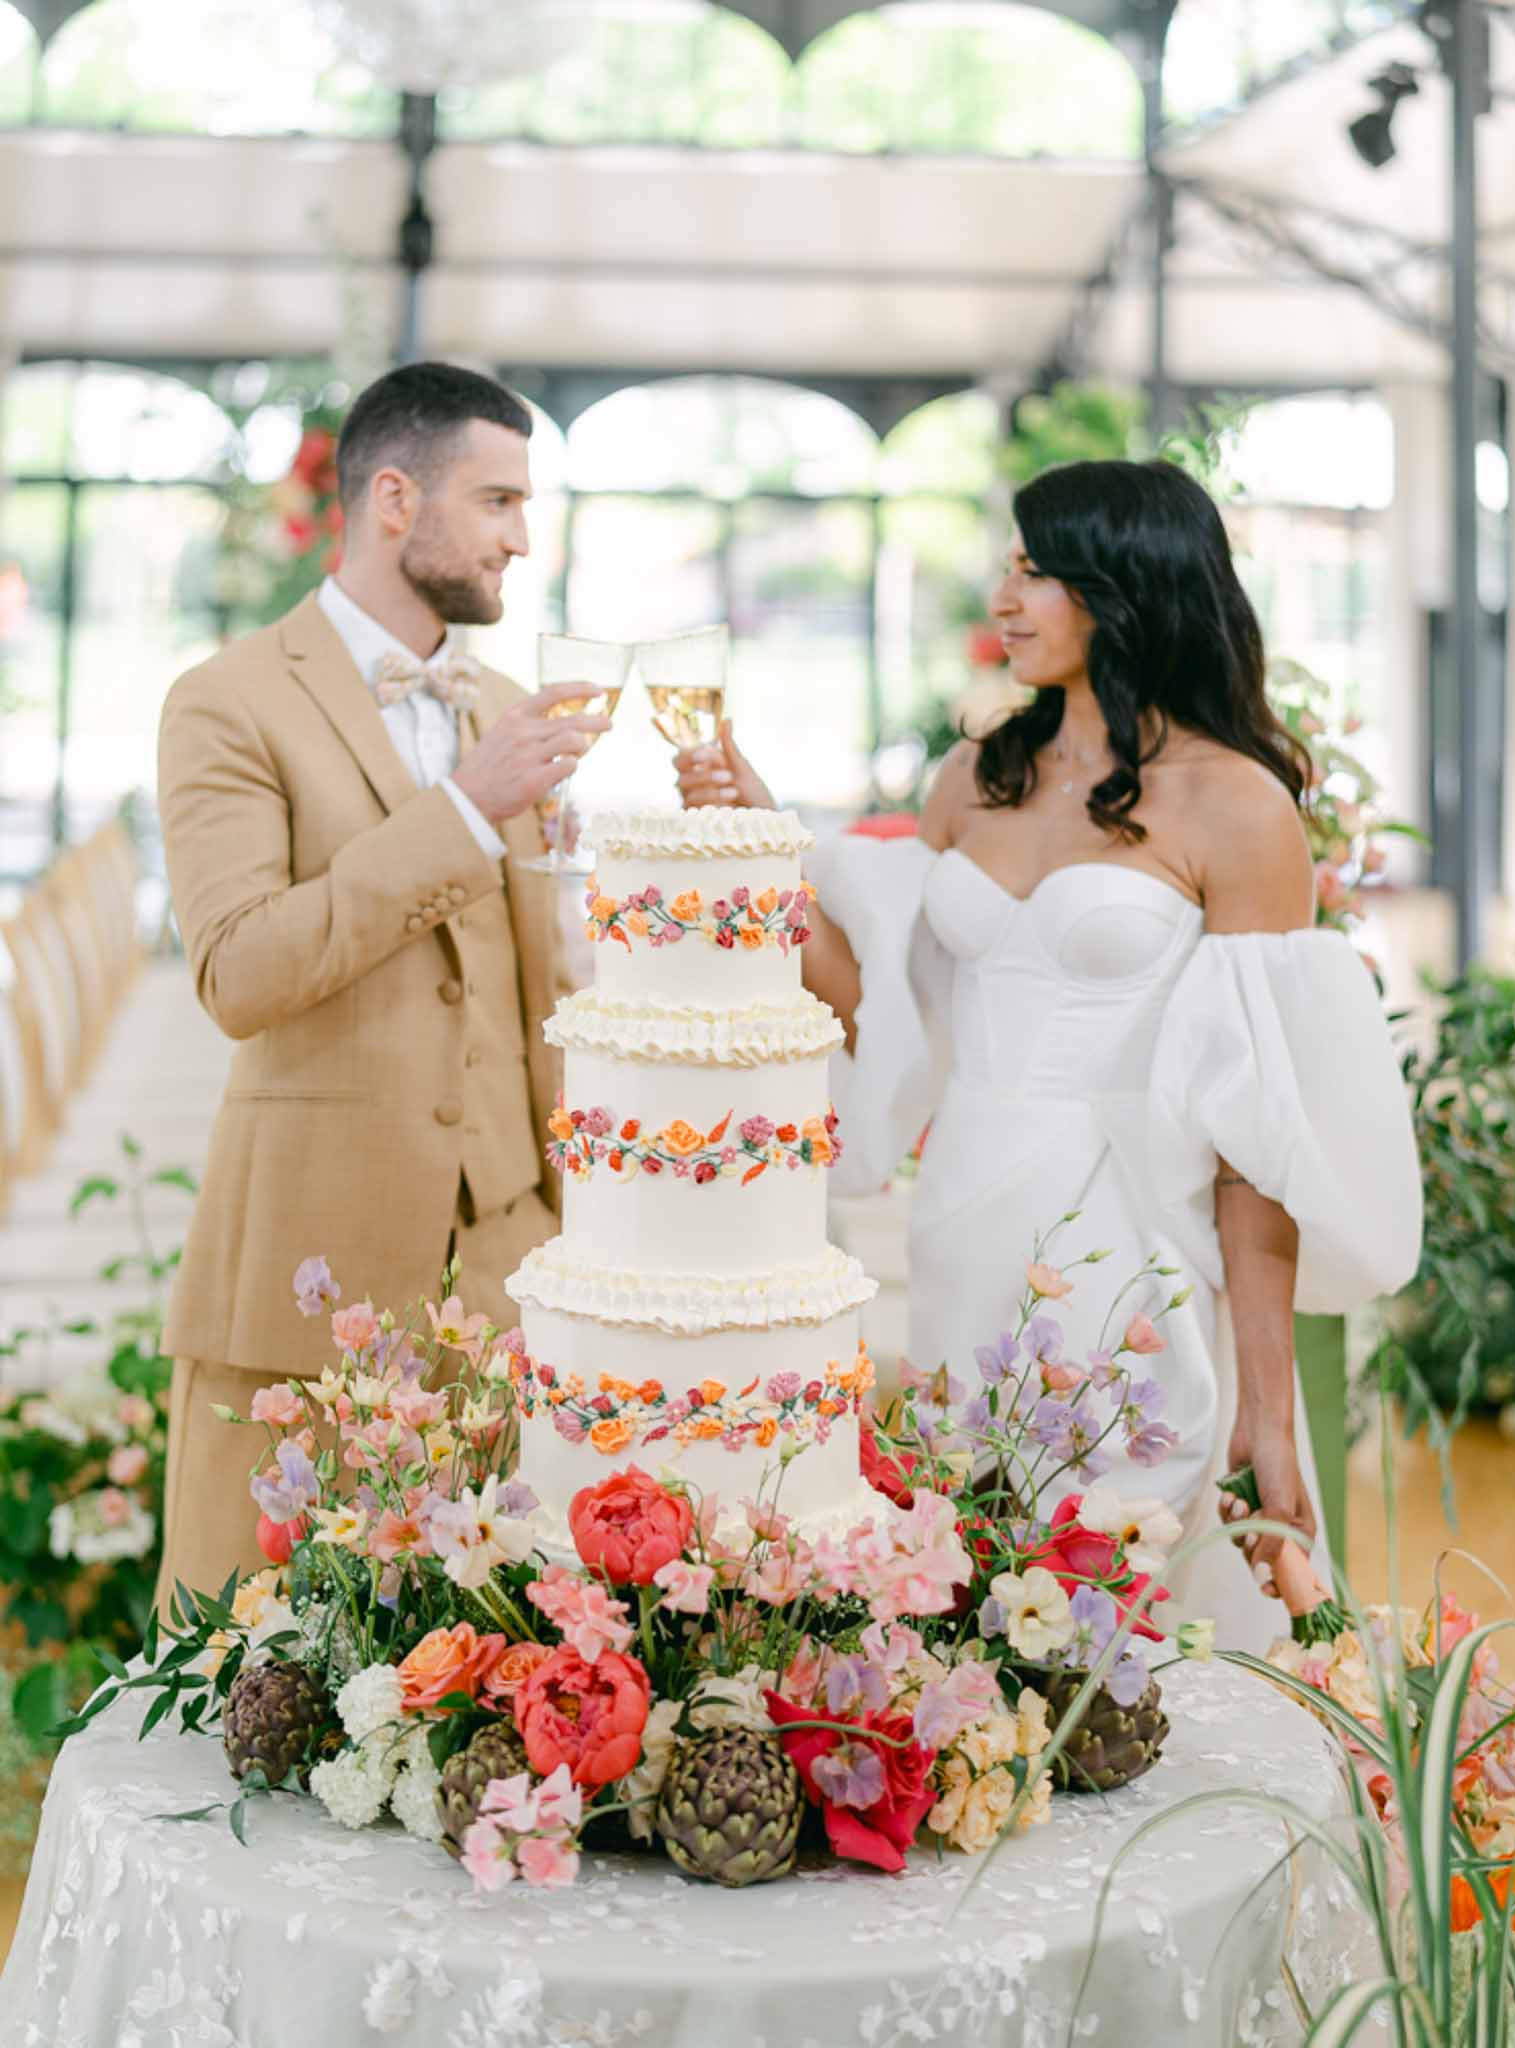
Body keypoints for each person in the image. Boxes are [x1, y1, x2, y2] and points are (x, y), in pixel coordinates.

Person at [676, 458, 1422, 1649]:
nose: (1003, 595)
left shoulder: (1234, 805)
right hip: (963, 1221)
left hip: (1131, 1242)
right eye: (1006, 566)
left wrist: (1269, 1411)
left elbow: (1255, 1135)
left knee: (1121, 1599)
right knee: (971, 1589)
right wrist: (756, 844)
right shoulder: (973, 776)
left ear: (1121, 586)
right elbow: (876, 1006)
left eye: (1033, 568)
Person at [154, 362, 610, 1606]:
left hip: (511, 1274)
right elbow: (239, 968)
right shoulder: (226, 702)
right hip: (315, 1258)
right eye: (499, 499)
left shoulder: (503, 706)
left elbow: (537, 985)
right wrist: (467, 810)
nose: (523, 536)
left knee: (480, 1670)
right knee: (254, 1660)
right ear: (396, 499)